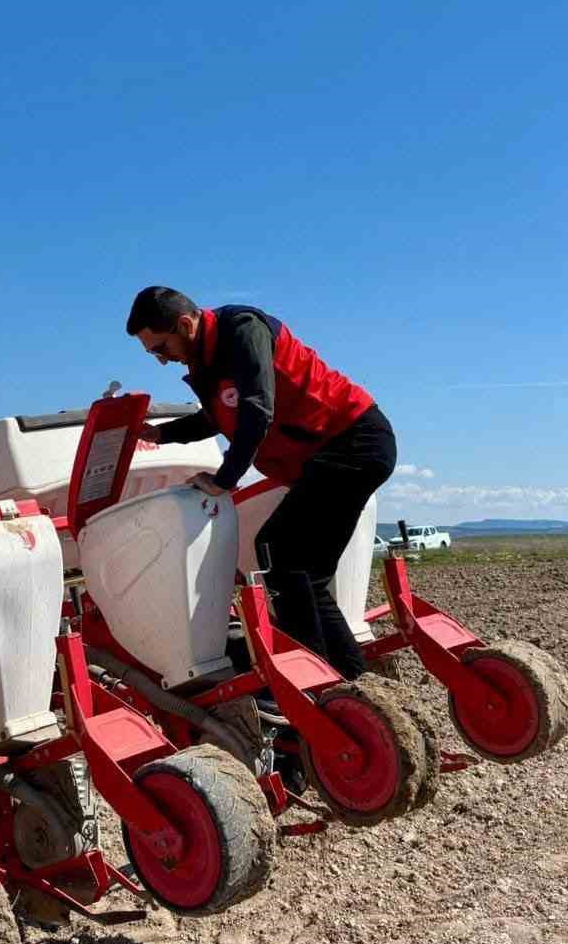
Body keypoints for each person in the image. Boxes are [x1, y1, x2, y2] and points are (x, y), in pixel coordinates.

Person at [124, 285, 395, 681]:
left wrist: (224, 480)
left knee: (278, 550)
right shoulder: (208, 362)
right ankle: (350, 682)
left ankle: (314, 681)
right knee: (301, 572)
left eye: (160, 349)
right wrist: (159, 435)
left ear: (185, 324)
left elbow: (255, 410)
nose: (163, 361)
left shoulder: (242, 330)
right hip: (336, 453)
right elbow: (215, 418)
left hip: (353, 441)